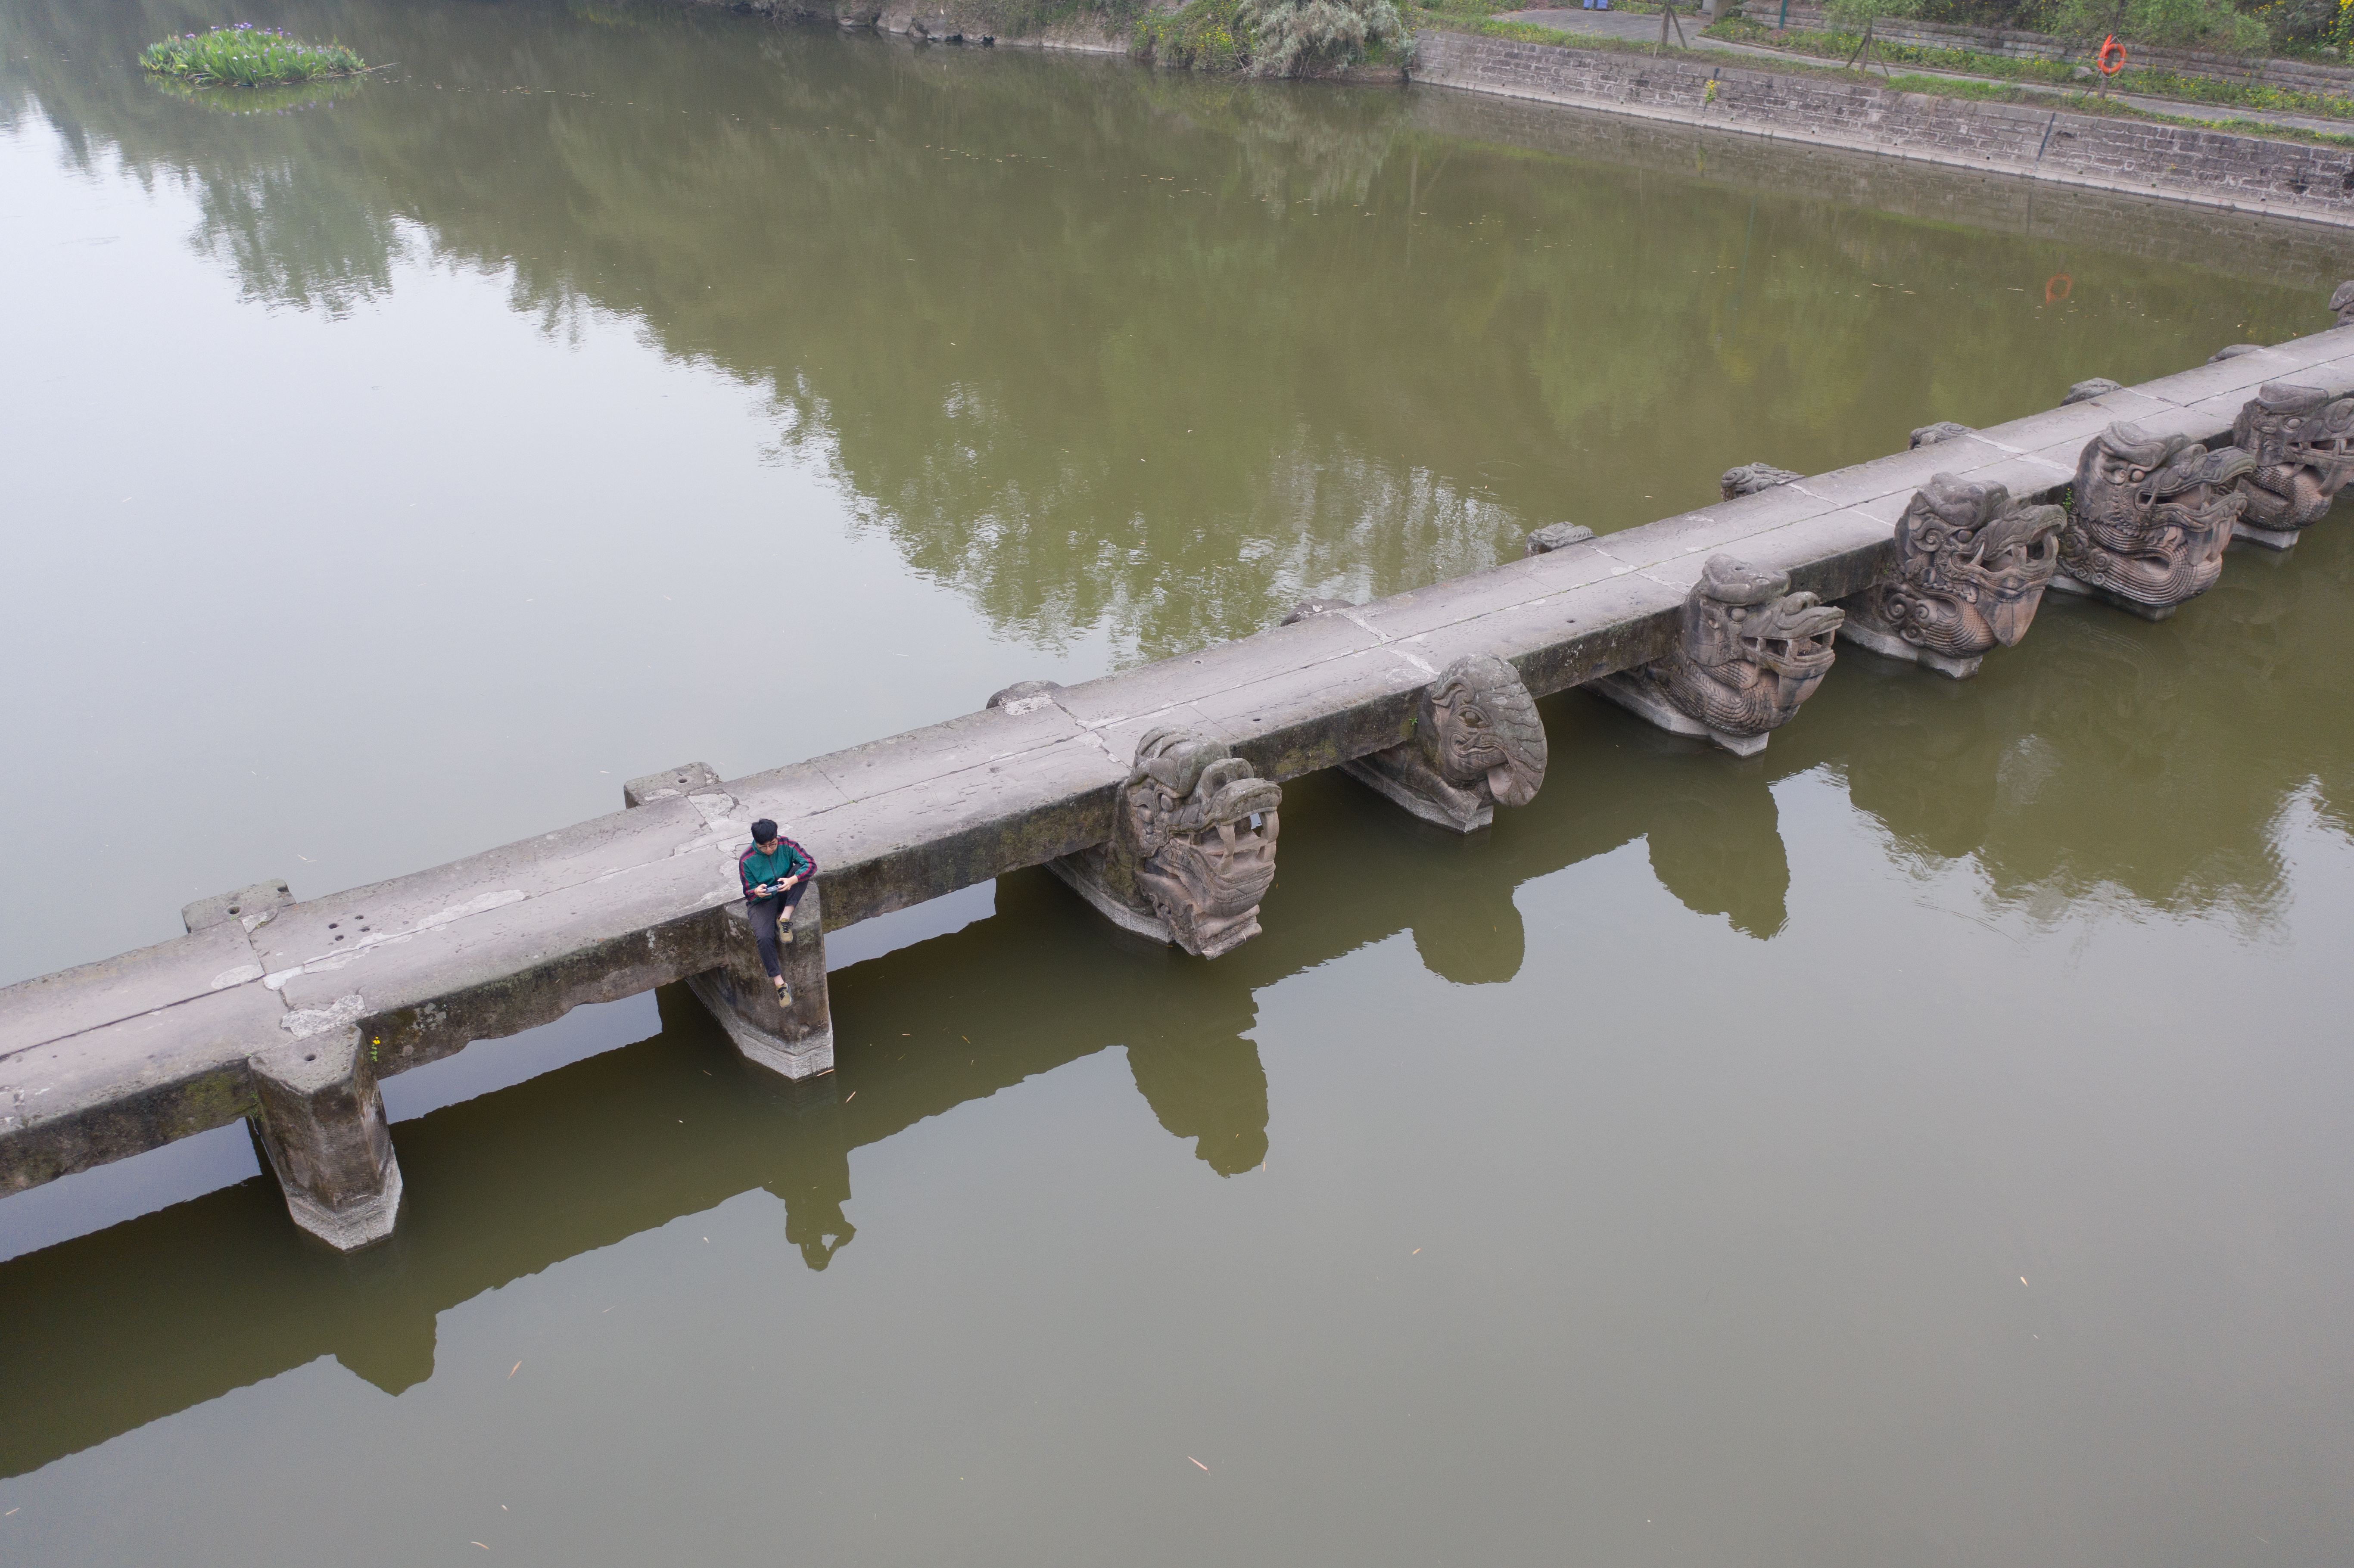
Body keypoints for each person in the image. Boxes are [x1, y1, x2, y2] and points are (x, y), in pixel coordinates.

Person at [738, 819, 817, 1003]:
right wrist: (757, 892)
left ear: (777, 838)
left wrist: (792, 880)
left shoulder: (787, 844)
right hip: (763, 900)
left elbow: (811, 864)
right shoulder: (747, 860)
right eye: (763, 847)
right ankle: (780, 983)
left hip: (785, 890)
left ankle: (785, 918)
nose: (769, 850)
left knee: (801, 871)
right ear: (755, 843)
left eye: (772, 845)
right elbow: (748, 893)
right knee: (764, 937)